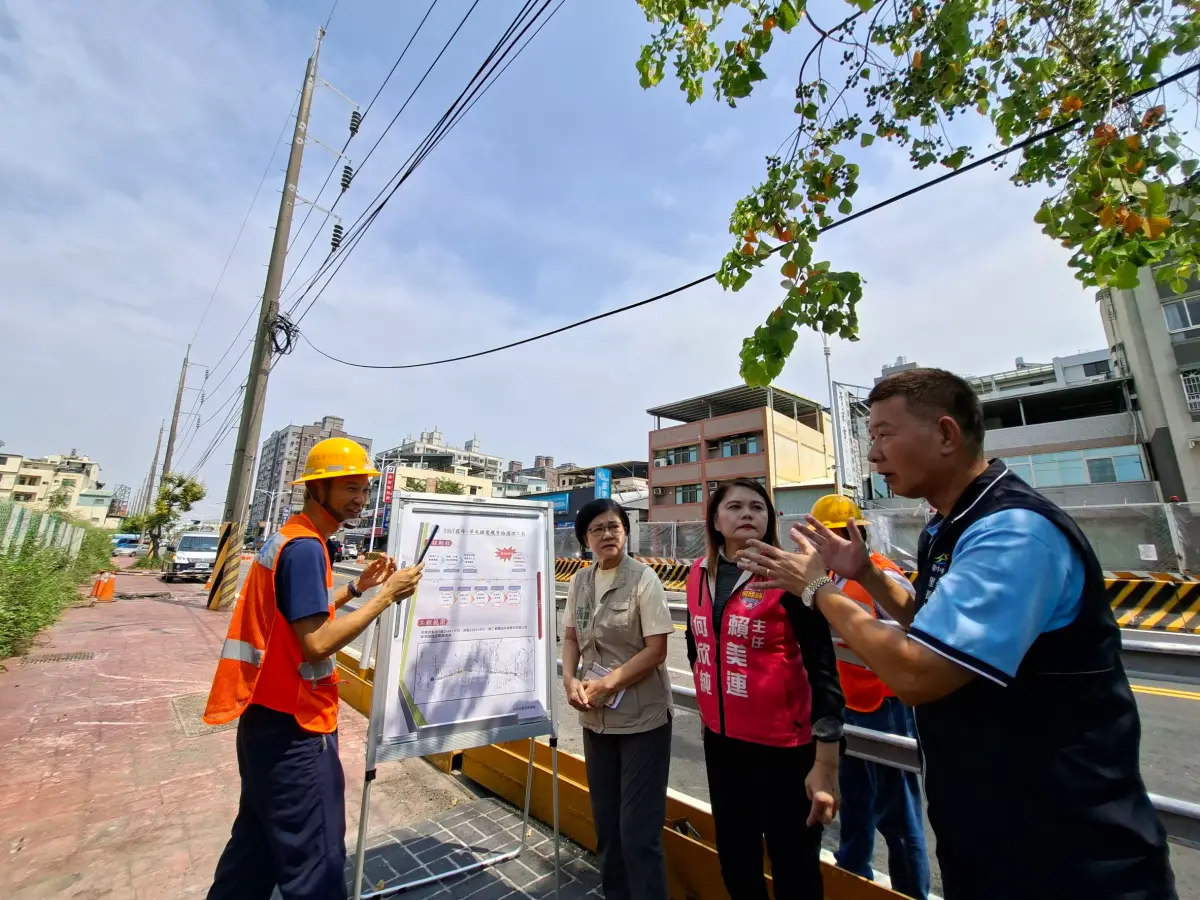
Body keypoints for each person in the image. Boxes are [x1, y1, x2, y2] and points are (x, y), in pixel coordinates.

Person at [736, 368, 1176, 900]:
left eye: (883, 435)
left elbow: (917, 672)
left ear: (946, 434)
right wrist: (867, 576)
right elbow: (931, 621)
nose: (872, 455)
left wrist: (818, 590)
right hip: (991, 831)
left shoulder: (1012, 531)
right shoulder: (947, 527)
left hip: (1066, 850)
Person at [203, 437, 425, 900]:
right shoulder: (306, 548)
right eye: (348, 488)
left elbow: (300, 615)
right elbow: (316, 644)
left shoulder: (294, 538)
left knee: (253, 855)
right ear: (317, 489)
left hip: (265, 721)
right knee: (316, 867)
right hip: (295, 730)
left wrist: (357, 589)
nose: (360, 499)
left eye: (364, 489)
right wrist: (387, 596)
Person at [686, 479, 842, 900]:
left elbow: (822, 666)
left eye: (757, 507)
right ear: (716, 521)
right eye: (734, 507)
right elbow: (697, 645)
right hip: (722, 746)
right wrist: (709, 711)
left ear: (770, 519)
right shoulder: (697, 574)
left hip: (786, 750)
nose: (747, 514)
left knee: (795, 869)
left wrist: (826, 759)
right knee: (736, 862)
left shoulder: (790, 575)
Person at [807, 494, 929, 900]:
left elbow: (914, 637)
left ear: (856, 533)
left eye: (838, 533)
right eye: (823, 535)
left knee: (900, 816)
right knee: (855, 805)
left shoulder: (883, 577)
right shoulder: (824, 578)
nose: (829, 541)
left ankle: (911, 890)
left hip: (886, 706)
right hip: (845, 706)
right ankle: (852, 878)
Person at [561, 498, 675, 900]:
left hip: (643, 722)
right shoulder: (580, 582)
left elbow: (656, 650)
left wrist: (607, 685)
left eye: (614, 527)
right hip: (596, 719)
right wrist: (570, 680)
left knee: (638, 833)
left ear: (625, 532)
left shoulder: (644, 579)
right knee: (607, 827)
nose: (607, 535)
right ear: (585, 539)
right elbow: (572, 637)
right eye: (597, 529)